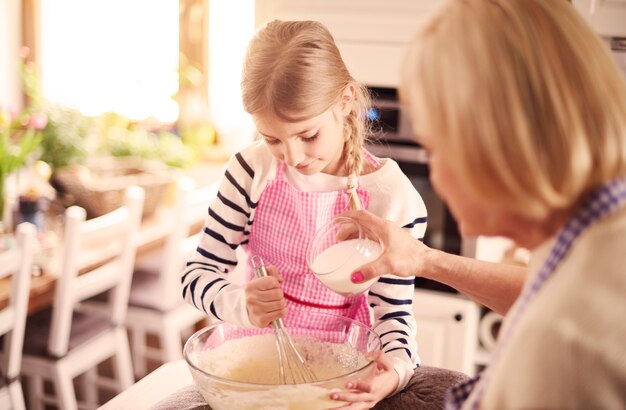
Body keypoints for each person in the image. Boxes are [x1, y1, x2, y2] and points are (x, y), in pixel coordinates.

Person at [338, 0, 626, 409]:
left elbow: (559, 317)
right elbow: (539, 291)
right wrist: (421, 259)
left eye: (436, 149)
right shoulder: (599, 232)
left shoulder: (561, 343)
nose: (434, 175)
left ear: (497, 147)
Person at [181, 20, 466, 409]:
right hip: (256, 372)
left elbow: (394, 315)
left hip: (341, 380)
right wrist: (240, 304)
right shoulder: (251, 171)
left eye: (308, 135)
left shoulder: (390, 196)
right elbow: (195, 277)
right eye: (272, 139)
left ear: (346, 99)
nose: (293, 157)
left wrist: (395, 371)